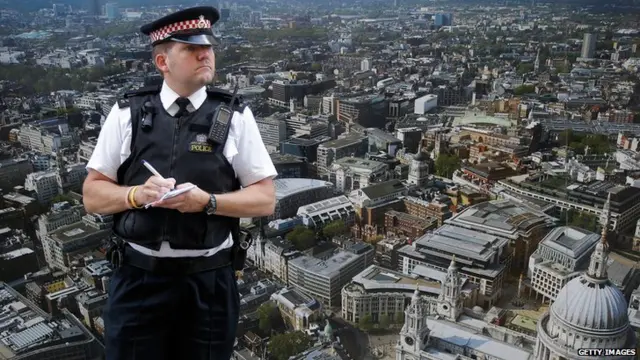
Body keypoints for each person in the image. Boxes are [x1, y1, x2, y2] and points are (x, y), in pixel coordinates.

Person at [82, 6, 277, 360]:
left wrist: (208, 202)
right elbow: (92, 195)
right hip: (139, 278)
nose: (206, 53)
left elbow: (265, 199)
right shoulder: (128, 112)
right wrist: (136, 195)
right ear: (162, 62)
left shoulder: (235, 117)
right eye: (190, 48)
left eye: (209, 47)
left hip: (210, 282)